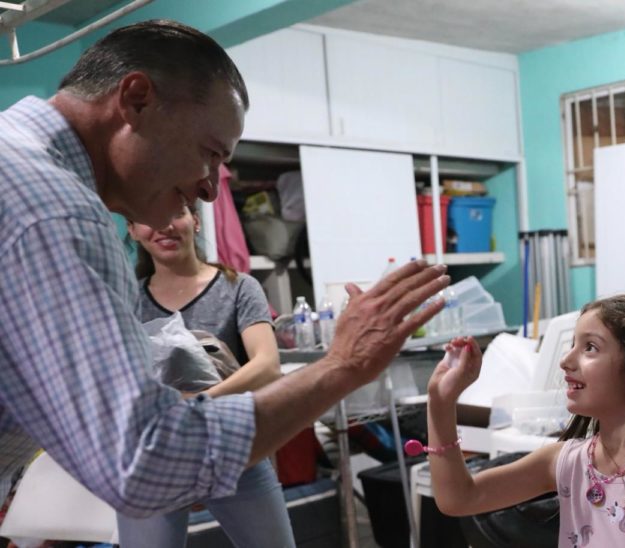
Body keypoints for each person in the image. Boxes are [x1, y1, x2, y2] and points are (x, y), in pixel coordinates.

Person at [0, 19, 448, 518]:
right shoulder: (56, 210)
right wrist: (343, 366)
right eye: (210, 153)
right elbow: (143, 465)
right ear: (136, 100)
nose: (211, 190)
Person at [427, 296, 625, 548]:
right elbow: (459, 499)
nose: (566, 360)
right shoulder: (566, 461)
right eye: (574, 344)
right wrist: (440, 404)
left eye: (590, 347)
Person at [118, 203, 294, 547]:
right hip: (158, 457)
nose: (164, 227)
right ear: (132, 230)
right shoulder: (128, 300)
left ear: (195, 221)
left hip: (233, 449)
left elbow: (267, 366)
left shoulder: (238, 287)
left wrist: (197, 404)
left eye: (175, 213)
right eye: (148, 218)